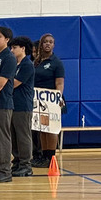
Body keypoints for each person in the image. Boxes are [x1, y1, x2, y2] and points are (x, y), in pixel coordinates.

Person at [32, 33, 65, 168]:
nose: (48, 44)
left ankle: (51, 157)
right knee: (42, 129)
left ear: (54, 45)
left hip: (51, 101)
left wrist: (59, 97)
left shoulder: (56, 63)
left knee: (51, 129)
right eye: (45, 41)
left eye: (51, 42)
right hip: (39, 100)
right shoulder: (37, 61)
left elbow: (60, 83)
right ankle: (43, 156)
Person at [0, 26, 16, 183]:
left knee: (3, 137)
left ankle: (6, 170)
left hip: (3, 103)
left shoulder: (9, 58)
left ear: (7, 40)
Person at [9, 36, 35, 177]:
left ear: (23, 48)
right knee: (14, 136)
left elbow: (13, 83)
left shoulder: (27, 65)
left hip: (23, 106)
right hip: (13, 105)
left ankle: (26, 165)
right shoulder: (16, 64)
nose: (12, 50)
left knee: (23, 136)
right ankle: (17, 162)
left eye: (14, 47)